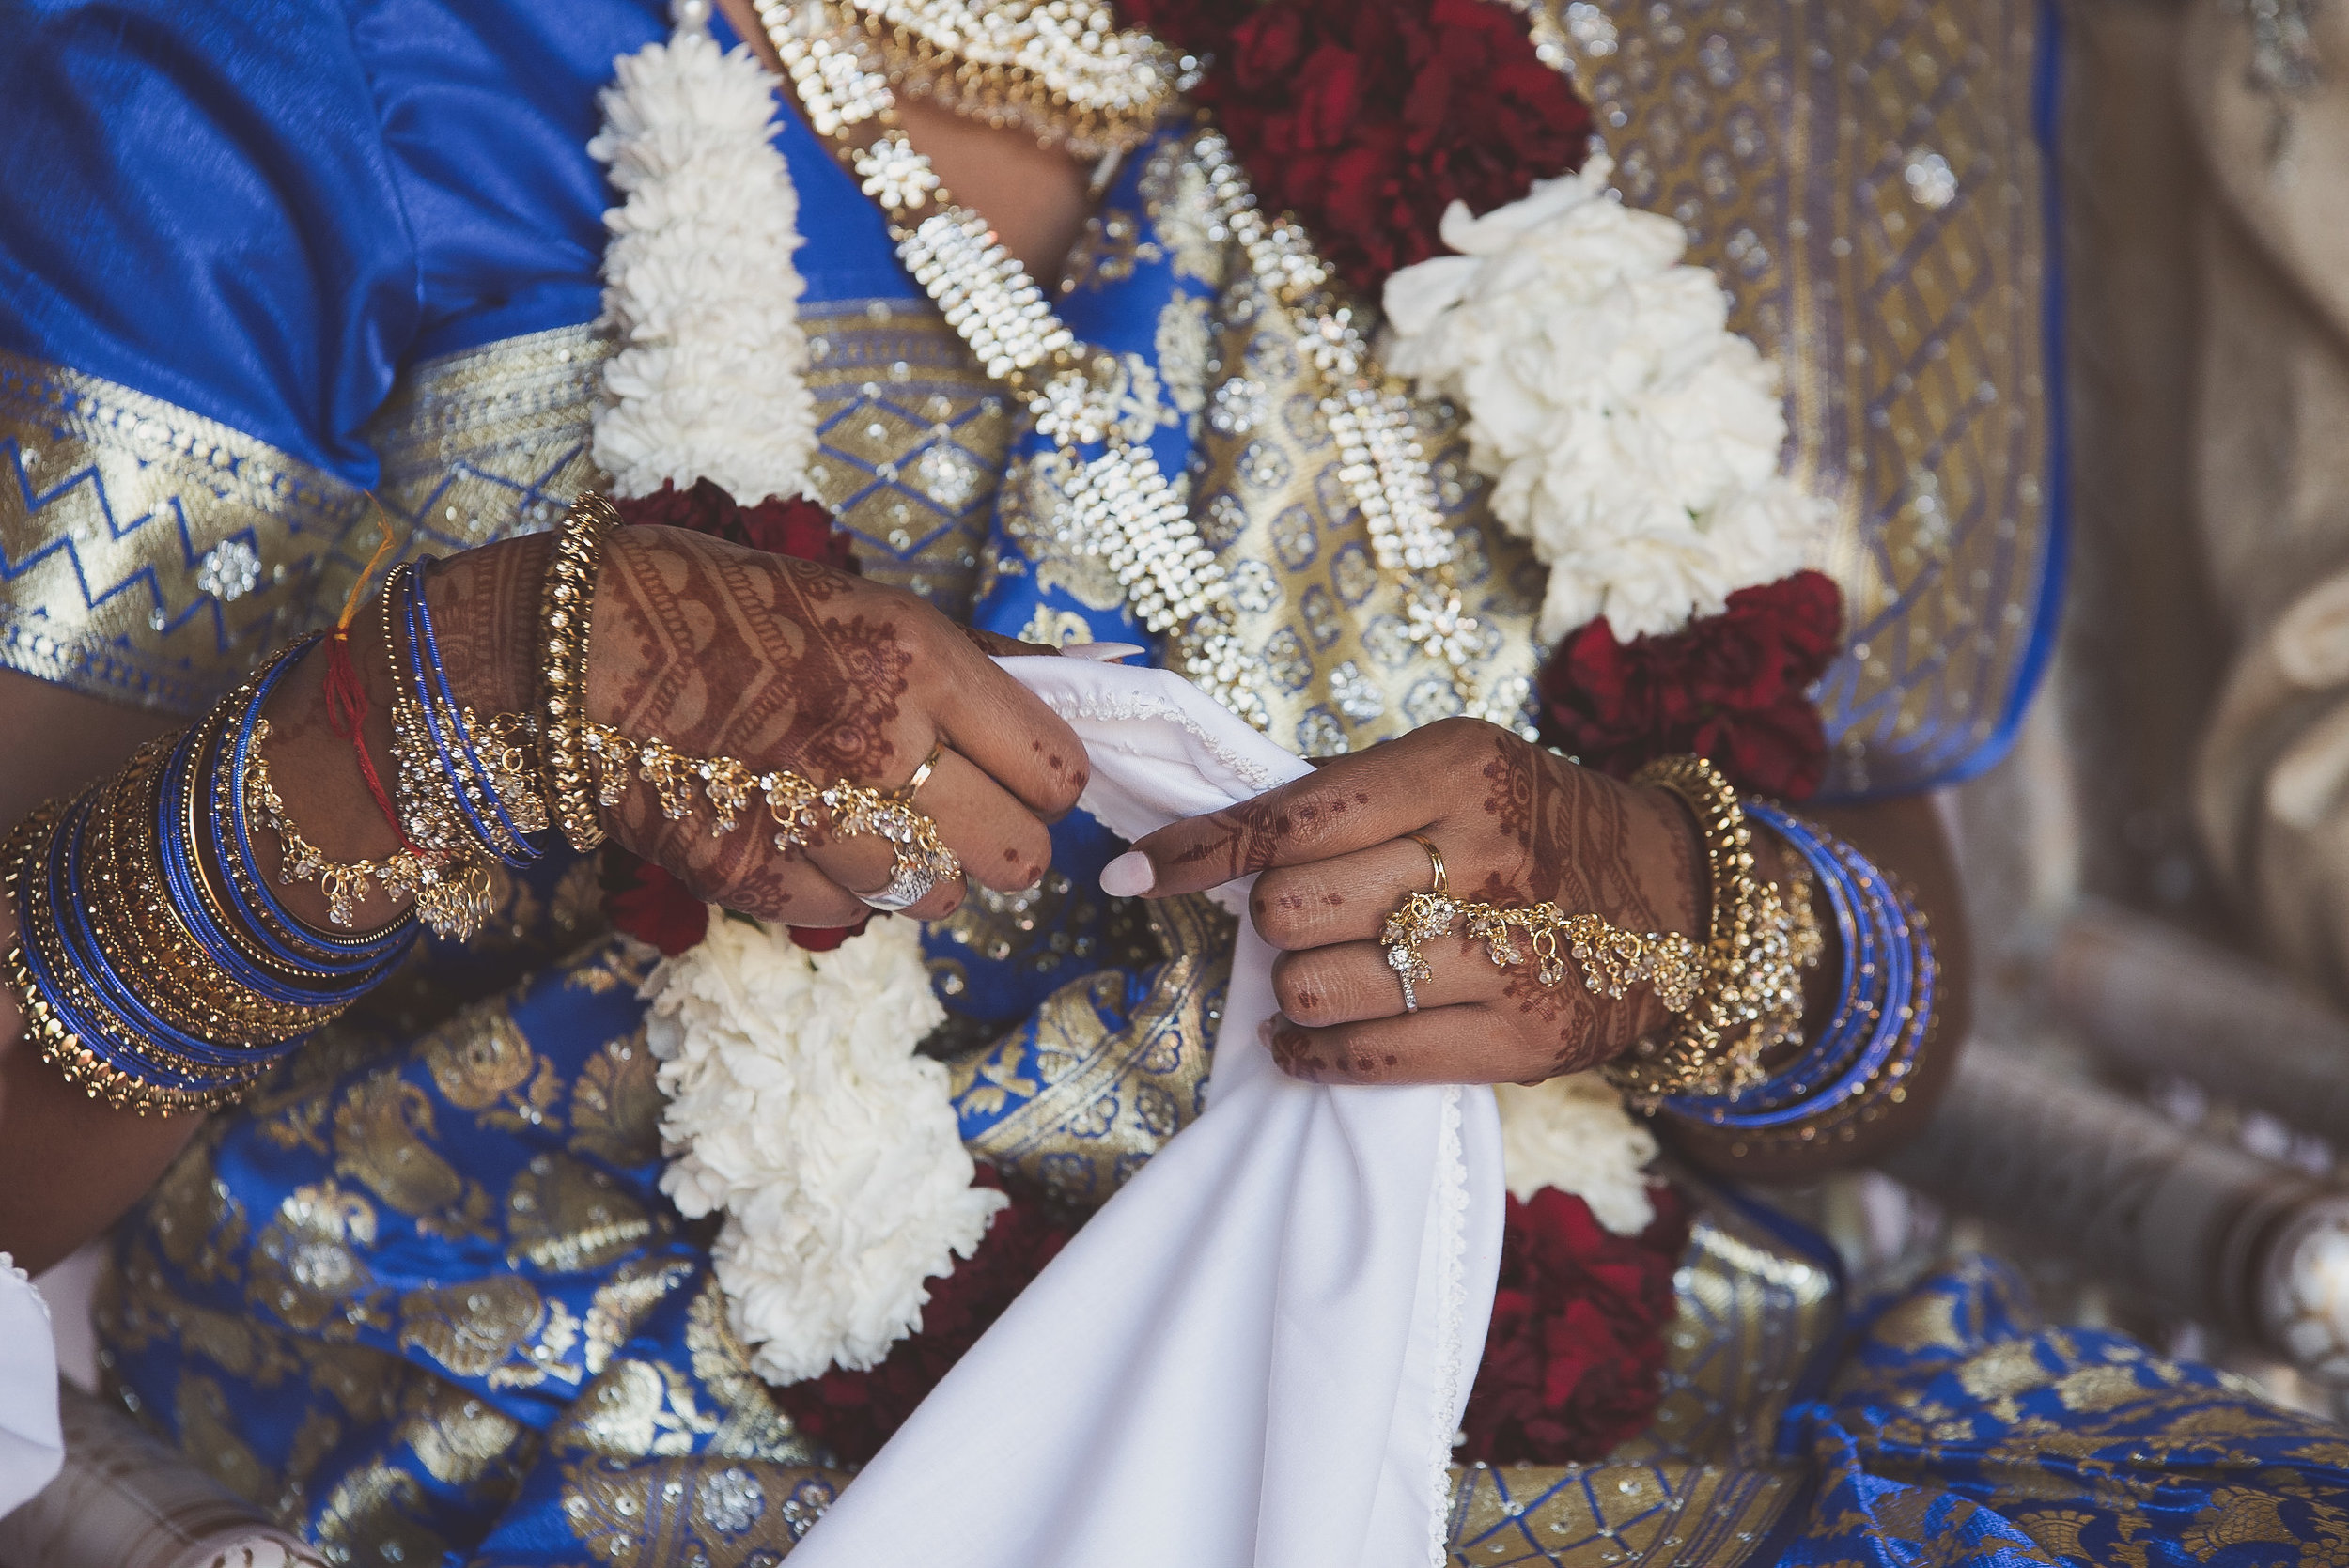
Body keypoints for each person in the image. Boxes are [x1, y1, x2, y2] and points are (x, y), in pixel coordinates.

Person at [2, 0, 2341, 1562]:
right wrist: (451, 690)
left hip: (1583, 1455)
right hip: (670, 1486)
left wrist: (1680, 913)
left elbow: (1881, 963)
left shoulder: (1479, 89)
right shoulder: (296, 73)